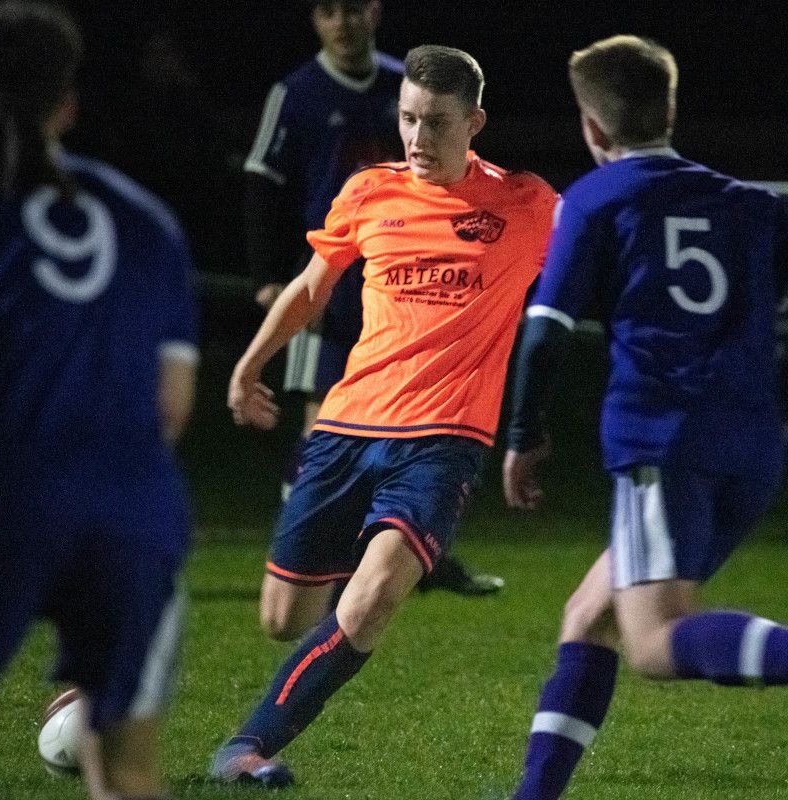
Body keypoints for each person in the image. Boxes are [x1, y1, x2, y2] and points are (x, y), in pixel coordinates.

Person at [214, 44, 558, 786]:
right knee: (282, 618)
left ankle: (246, 748)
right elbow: (312, 286)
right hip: (346, 426)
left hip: (444, 437)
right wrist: (250, 364)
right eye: (407, 119)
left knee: (370, 601)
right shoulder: (369, 191)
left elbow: (600, 252)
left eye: (436, 122)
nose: (417, 138)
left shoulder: (525, 205)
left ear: (475, 123)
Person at [503, 35, 788, 800]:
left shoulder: (596, 197)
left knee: (655, 643)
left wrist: (524, 436)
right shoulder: (747, 202)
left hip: (664, 441)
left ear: (592, 127)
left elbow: (545, 333)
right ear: (669, 109)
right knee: (588, 615)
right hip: (753, 446)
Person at [0, 3, 198, 799]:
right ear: (68, 103)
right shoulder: (144, 219)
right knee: (130, 774)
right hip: (131, 515)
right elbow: (171, 407)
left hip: (5, 504)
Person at [244, 0, 504, 595]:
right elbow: (263, 182)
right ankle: (311, 558)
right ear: (315, 20)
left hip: (411, 283)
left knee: (423, 424)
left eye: (354, 9)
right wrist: (267, 276)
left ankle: (420, 553)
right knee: (323, 424)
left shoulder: (406, 85)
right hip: (335, 280)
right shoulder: (297, 93)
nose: (343, 23)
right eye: (329, 11)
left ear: (375, 13)